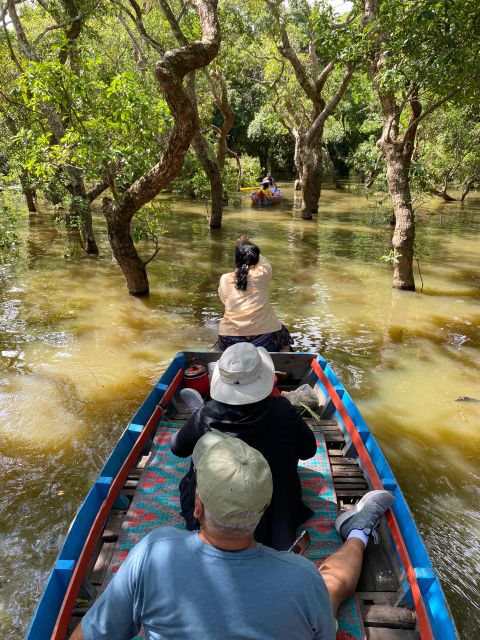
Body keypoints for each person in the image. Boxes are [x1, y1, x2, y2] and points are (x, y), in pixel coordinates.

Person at [71, 434, 395, 640]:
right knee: (331, 587)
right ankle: (358, 532)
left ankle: (357, 530)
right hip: (299, 585)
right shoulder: (302, 578)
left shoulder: (154, 552)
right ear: (265, 507)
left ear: (197, 506)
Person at [171, 342, 317, 550]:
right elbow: (308, 450)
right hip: (275, 507)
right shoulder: (283, 409)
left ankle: (196, 416)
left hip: (219, 506)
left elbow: (177, 447)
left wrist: (200, 419)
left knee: (200, 455)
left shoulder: (209, 413)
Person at [216, 235, 293, 352]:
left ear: (236, 260)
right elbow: (262, 260)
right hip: (264, 341)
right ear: (256, 259)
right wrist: (245, 244)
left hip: (230, 340)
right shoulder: (263, 274)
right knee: (282, 331)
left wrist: (241, 246)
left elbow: (225, 302)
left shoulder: (225, 279)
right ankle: (284, 359)